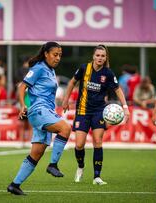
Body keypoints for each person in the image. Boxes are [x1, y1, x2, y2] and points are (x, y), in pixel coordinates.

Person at [7, 42, 71, 195]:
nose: (57, 58)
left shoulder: (50, 70)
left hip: (46, 111)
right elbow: (22, 86)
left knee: (37, 153)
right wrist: (23, 105)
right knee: (65, 128)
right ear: (46, 54)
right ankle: (53, 165)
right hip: (39, 111)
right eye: (55, 54)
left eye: (60, 55)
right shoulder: (39, 68)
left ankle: (14, 185)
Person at [61, 44, 130, 185]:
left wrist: (125, 107)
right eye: (97, 55)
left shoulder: (108, 73)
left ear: (105, 58)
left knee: (97, 142)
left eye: (102, 56)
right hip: (82, 111)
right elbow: (72, 82)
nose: (100, 58)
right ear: (93, 56)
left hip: (99, 111)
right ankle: (80, 167)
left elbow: (118, 90)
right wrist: (66, 100)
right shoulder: (83, 68)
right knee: (79, 144)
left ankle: (97, 177)